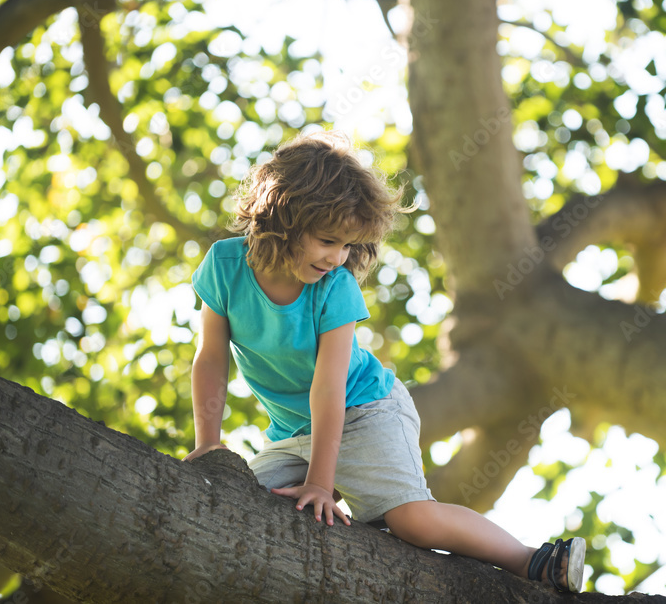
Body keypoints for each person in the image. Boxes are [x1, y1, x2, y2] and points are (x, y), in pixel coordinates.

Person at [183, 130, 585, 592]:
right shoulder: (225, 266)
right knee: (235, 501)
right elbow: (211, 359)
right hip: (295, 433)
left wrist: (320, 484)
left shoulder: (334, 288)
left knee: (411, 520)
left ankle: (535, 560)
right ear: (284, 218)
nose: (338, 258)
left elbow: (329, 388)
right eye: (328, 240)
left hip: (366, 411)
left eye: (348, 246)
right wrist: (208, 444)